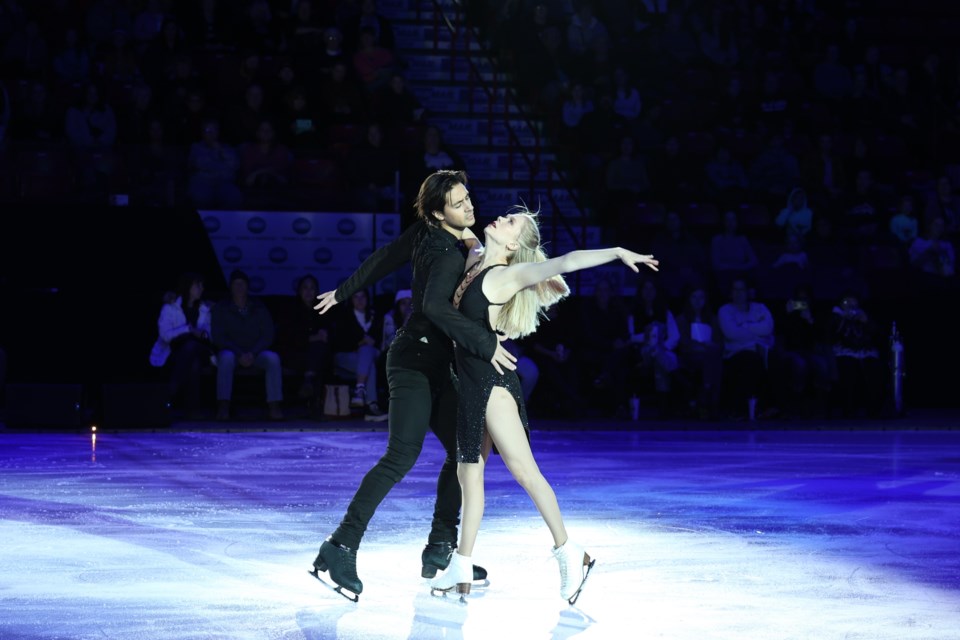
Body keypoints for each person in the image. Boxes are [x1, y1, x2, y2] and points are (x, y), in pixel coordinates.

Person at [428, 206, 658, 604]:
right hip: (469, 385)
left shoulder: (507, 275)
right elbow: (462, 232)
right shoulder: (476, 260)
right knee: (470, 478)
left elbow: (566, 261)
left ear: (514, 243)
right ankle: (461, 566)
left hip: (492, 386)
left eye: (511, 221)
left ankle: (571, 554)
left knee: (525, 473)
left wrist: (619, 251)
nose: (502, 218)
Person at [309, 170, 518, 601]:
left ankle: (441, 547)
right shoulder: (444, 252)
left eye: (468, 199)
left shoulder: (433, 233)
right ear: (440, 212)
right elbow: (433, 306)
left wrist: (345, 290)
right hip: (414, 362)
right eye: (459, 204)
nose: (470, 208)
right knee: (401, 456)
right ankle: (339, 545)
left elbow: (384, 257)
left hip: (437, 362)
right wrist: (484, 341)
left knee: (465, 449)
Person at [210, 269, 284, 421]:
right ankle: (223, 405)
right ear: (230, 287)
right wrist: (239, 353)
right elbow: (218, 336)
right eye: (236, 284)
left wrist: (253, 353)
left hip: (255, 354)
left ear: (247, 286)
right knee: (225, 358)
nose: (239, 288)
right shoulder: (221, 308)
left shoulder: (258, 306)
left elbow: (268, 334)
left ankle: (274, 406)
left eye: (242, 284)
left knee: (273, 358)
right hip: (233, 353)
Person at [148, 272, 213, 419]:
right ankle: (192, 410)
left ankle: (169, 395)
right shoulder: (171, 307)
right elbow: (165, 335)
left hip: (200, 349)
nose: (201, 288)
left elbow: (209, 335)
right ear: (188, 286)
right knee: (193, 363)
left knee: (192, 347)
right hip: (174, 353)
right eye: (198, 285)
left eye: (202, 285)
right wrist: (188, 329)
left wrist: (199, 334)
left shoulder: (204, 308)